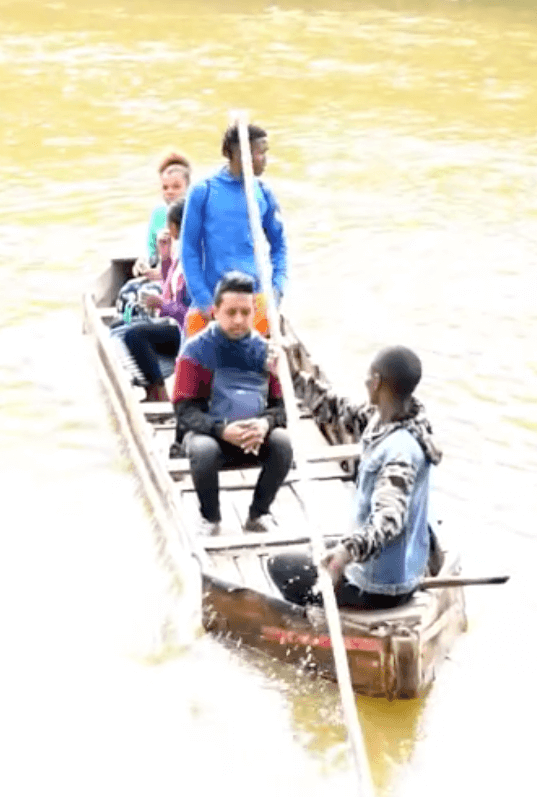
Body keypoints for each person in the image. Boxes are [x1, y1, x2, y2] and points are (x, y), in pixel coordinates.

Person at [264, 341, 442, 610]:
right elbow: (334, 408)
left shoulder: (400, 452)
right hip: (400, 571)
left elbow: (388, 522)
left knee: (280, 566)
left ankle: (324, 615)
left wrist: (344, 554)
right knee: (319, 548)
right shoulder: (388, 418)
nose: (365, 381)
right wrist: (291, 377)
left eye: (369, 376)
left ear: (377, 382)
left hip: (380, 588)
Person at [171, 272, 292, 536]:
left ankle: (258, 514)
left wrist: (264, 424)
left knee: (283, 442)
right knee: (202, 450)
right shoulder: (195, 351)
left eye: (245, 313)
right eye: (231, 312)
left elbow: (282, 408)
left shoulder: (266, 351)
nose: (239, 320)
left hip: (253, 436)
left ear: (254, 312)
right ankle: (210, 518)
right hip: (211, 435)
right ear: (215, 312)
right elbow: (184, 411)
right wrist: (221, 430)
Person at [180, 122, 288, 338]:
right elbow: (189, 250)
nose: (265, 159)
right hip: (214, 298)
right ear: (240, 154)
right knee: (191, 362)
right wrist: (203, 301)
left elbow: (279, 246)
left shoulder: (263, 193)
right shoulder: (204, 191)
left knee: (262, 362)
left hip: (254, 301)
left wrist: (277, 287)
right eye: (260, 153)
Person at [119, 200, 190, 402]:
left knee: (135, 335)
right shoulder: (184, 254)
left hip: (194, 330)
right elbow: (170, 289)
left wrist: (161, 305)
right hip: (184, 326)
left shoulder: (193, 259)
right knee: (128, 326)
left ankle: (157, 392)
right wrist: (165, 256)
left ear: (174, 228)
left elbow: (191, 313)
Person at [134, 152, 191, 278]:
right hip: (163, 274)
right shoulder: (158, 214)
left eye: (176, 187)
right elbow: (151, 251)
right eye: (165, 187)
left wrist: (163, 275)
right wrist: (143, 262)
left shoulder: (194, 214)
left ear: (188, 187)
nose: (170, 192)